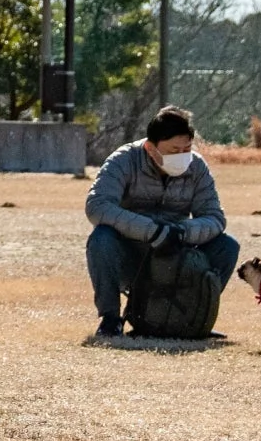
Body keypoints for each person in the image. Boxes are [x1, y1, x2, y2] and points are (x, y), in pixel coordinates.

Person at [84, 105, 240, 339]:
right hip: (131, 254)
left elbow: (215, 217)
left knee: (227, 246)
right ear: (150, 147)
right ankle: (111, 319)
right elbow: (97, 206)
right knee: (101, 239)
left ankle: (197, 317)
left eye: (186, 148)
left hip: (177, 252)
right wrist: (152, 232)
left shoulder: (196, 166)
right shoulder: (123, 160)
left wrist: (182, 232)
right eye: (173, 150)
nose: (181, 155)